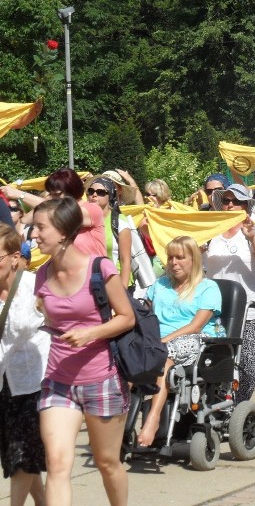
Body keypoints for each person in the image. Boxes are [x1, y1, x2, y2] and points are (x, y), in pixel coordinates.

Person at [31, 197, 136, 506]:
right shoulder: (43, 273)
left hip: (101, 380)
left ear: (63, 232)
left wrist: (91, 332)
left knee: (107, 463)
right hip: (58, 382)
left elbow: (126, 317)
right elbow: (52, 320)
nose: (34, 234)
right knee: (58, 465)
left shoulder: (99, 268)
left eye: (40, 228)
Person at [136, 237, 222, 447]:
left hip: (197, 341)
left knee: (163, 355)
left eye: (180, 257)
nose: (173, 262)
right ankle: (119, 424)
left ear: (193, 260)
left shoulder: (207, 287)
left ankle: (153, 419)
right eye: (170, 257)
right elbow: (145, 314)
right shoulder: (160, 285)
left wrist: (161, 341)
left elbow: (196, 326)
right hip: (158, 340)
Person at [204, 184, 255, 402]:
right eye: (226, 201)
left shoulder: (253, 229)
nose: (230, 205)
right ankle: (218, 404)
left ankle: (240, 406)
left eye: (236, 201)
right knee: (217, 361)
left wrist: (252, 238)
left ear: (245, 206)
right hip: (216, 310)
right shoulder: (210, 231)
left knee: (248, 365)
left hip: (249, 308)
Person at [0, 225, 50, 506]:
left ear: (15, 257)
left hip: (35, 381)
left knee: (23, 455)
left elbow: (59, 326)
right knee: (16, 453)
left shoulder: (35, 287)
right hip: (4, 382)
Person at [2, 168, 106, 257]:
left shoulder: (92, 209)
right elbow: (25, 220)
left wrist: (20, 194)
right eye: (51, 194)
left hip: (93, 274)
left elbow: (62, 211)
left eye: (56, 194)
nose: (53, 198)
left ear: (72, 190)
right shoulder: (52, 206)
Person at [86, 177, 133, 290]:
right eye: (91, 191)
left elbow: (126, 261)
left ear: (110, 196)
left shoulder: (120, 222)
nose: (94, 195)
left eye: (101, 192)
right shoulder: (82, 220)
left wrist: (123, 291)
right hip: (91, 284)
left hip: (115, 284)